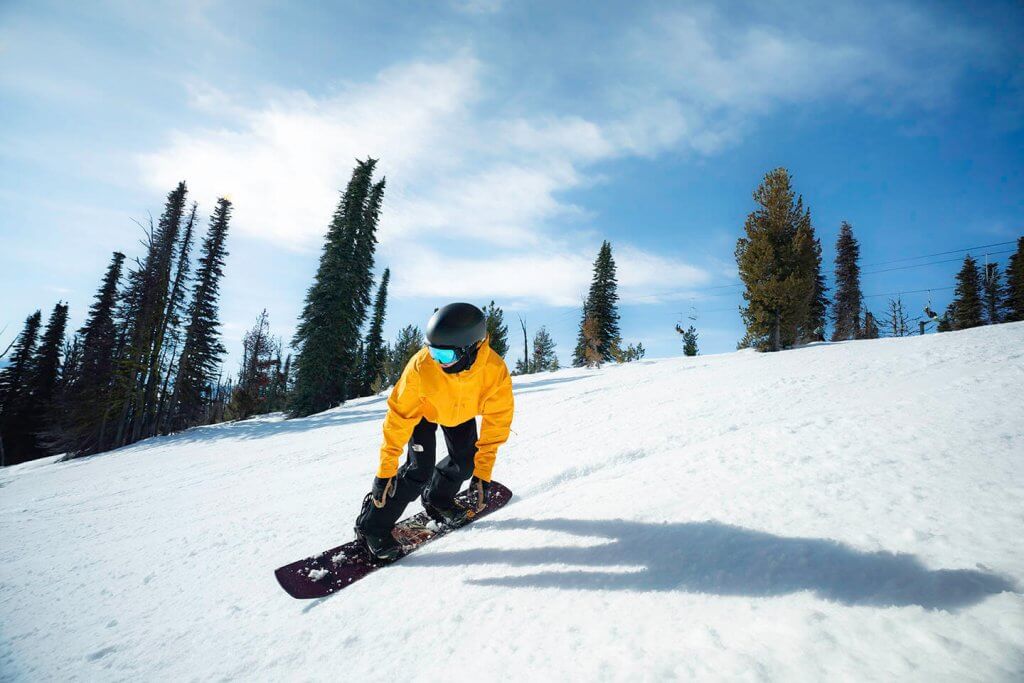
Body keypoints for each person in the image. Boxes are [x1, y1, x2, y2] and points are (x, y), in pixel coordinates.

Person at [354, 302, 515, 560]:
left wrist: (483, 472)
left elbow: (498, 421)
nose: (437, 361)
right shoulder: (421, 366)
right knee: (419, 471)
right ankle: (372, 525)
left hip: (460, 412)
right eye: (433, 352)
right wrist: (385, 472)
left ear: (471, 349)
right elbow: (398, 417)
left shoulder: (494, 371)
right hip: (423, 413)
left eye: (445, 356)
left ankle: (438, 498)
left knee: (465, 463)